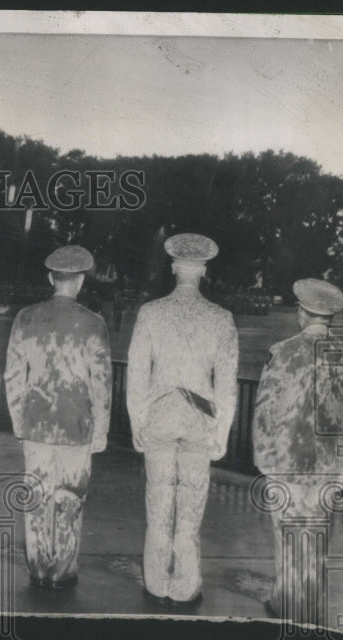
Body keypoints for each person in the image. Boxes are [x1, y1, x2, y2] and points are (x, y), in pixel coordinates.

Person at [126, 233, 239, 607]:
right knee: (190, 506)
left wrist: (136, 421)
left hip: (159, 418)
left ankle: (156, 583)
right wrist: (221, 430)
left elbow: (137, 375)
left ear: (174, 268)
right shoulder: (222, 319)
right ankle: (185, 585)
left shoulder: (151, 313)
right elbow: (225, 386)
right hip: (198, 423)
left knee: (158, 501)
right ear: (203, 271)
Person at [4, 245, 112, 588]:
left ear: (51, 278)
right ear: (79, 281)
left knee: (35, 498)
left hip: (35, 423)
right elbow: (102, 384)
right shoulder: (94, 324)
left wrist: (19, 421)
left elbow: (12, 375)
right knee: (70, 499)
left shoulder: (25, 318)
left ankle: (38, 568)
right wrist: (101, 431)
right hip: (76, 426)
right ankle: (63, 571)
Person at [253, 278, 343, 624]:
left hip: (287, 464)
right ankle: (312, 609)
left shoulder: (283, 352)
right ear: (330, 317)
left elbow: (266, 409)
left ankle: (287, 606)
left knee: (288, 539)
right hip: (326, 466)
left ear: (301, 312)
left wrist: (264, 460)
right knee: (318, 541)